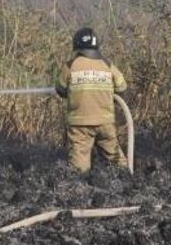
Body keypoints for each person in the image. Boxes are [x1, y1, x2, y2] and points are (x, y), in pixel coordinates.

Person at [55, 27, 129, 173]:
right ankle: (128, 181)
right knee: (116, 159)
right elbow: (122, 88)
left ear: (76, 47)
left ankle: (81, 188)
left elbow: (61, 90)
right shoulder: (107, 65)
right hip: (105, 122)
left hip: (79, 125)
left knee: (79, 166)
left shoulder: (70, 66)